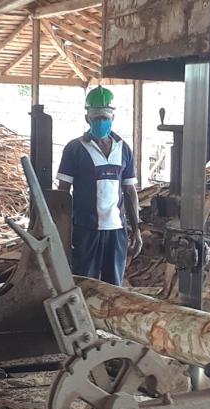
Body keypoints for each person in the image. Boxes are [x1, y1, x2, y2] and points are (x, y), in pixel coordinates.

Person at [57, 86, 142, 286]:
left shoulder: (123, 149)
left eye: (104, 117)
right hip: (86, 230)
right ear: (87, 118)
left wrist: (136, 229)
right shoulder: (75, 149)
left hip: (116, 230)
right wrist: (63, 232)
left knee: (114, 286)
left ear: (113, 116)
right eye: (95, 118)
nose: (100, 122)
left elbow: (130, 191)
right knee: (85, 283)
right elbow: (62, 194)